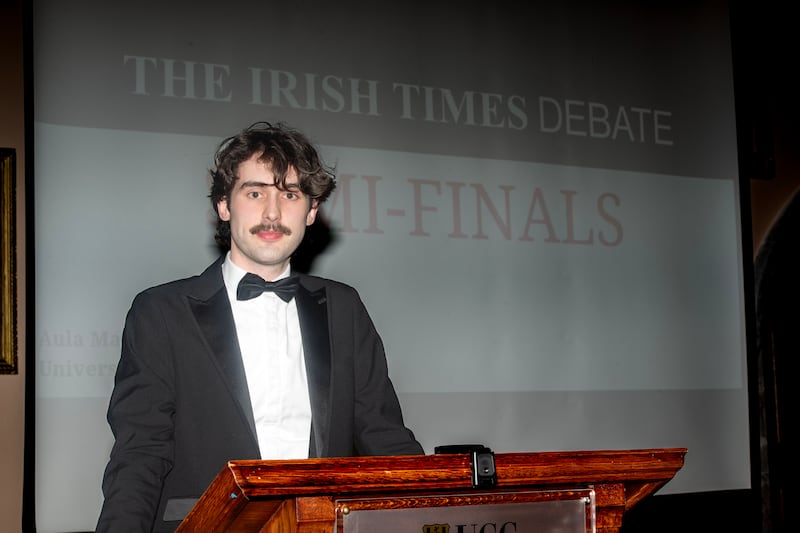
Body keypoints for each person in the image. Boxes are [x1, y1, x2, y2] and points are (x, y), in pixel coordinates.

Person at [96, 121, 424, 532]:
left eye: (289, 194)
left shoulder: (344, 306)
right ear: (224, 205)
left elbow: (386, 439)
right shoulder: (160, 312)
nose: (272, 212)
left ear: (311, 211)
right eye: (255, 193)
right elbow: (140, 453)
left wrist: (437, 515)